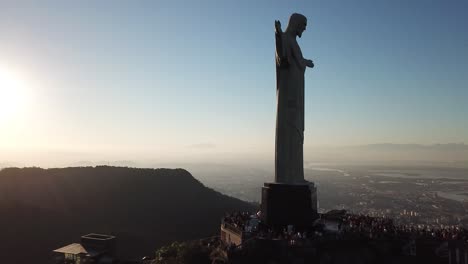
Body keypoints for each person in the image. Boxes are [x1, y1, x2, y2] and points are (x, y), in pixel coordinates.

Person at [275, 13, 314, 184]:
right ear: (296, 23)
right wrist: (277, 35)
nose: (304, 28)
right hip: (289, 99)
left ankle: (296, 175)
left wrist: (304, 62)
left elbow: (294, 61)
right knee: (290, 135)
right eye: (303, 25)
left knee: (297, 138)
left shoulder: (294, 42)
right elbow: (282, 58)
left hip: (296, 97)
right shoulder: (284, 38)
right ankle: (288, 176)